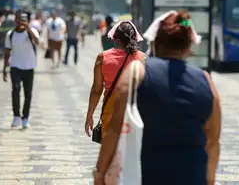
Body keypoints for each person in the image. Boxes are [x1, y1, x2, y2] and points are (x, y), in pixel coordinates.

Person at [93, 10, 221, 185]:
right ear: (188, 46)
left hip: (145, 174)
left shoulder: (136, 73)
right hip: (192, 175)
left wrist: (100, 172)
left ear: (155, 42)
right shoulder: (206, 80)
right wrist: (209, 180)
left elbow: (115, 129)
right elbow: (213, 140)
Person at [85, 21, 145, 139]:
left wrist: (89, 116)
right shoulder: (142, 58)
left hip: (110, 116)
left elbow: (96, 90)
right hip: (135, 117)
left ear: (114, 38)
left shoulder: (103, 57)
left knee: (111, 154)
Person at [3, 10, 40, 129]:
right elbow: (7, 51)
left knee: (28, 93)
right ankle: (16, 116)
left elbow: (37, 42)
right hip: (15, 66)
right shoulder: (10, 34)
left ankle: (25, 118)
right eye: (18, 19)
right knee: (15, 90)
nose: (20, 21)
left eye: (23, 19)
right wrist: (4, 68)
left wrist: (28, 29)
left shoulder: (32, 31)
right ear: (15, 21)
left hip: (29, 67)